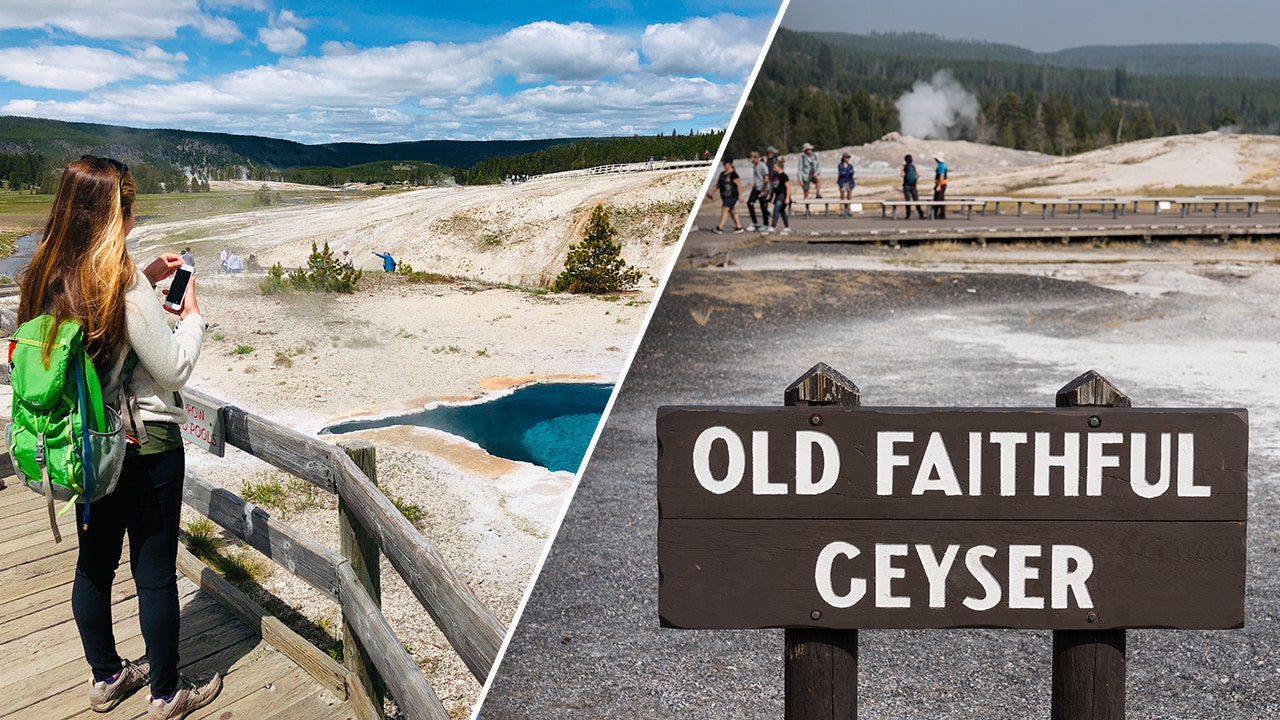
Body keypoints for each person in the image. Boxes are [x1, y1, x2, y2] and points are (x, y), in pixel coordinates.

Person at [17, 156, 219, 718]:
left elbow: (91, 335)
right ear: (118, 215)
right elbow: (174, 369)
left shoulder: (44, 273)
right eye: (129, 211)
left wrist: (148, 283)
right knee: (153, 572)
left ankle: (105, 677)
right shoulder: (120, 280)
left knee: (94, 564)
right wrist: (192, 315)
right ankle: (165, 693)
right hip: (141, 445)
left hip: (79, 445)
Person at [708, 160, 744, 233]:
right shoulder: (722, 174)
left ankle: (720, 228)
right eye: (723, 163)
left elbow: (739, 186)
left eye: (725, 163)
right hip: (724, 196)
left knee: (724, 209)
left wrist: (740, 196)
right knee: (731, 210)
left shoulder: (734, 175)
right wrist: (711, 192)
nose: (724, 165)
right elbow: (718, 185)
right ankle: (739, 227)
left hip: (732, 195)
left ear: (730, 164)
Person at [747, 151, 769, 231]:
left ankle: (766, 224)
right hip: (755, 188)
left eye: (753, 160)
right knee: (750, 203)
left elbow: (766, 179)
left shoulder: (762, 166)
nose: (752, 161)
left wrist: (763, 190)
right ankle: (755, 222)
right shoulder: (755, 166)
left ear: (756, 158)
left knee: (763, 207)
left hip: (762, 188)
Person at [768, 158, 790, 234]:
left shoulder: (784, 176)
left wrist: (787, 198)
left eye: (775, 167)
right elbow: (772, 186)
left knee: (776, 209)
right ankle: (787, 227)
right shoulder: (775, 175)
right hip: (777, 195)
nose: (773, 168)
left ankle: (773, 226)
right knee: (782, 211)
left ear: (779, 167)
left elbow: (788, 187)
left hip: (782, 195)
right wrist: (769, 194)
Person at [901, 154, 926, 220]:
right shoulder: (914, 166)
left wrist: (903, 169)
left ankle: (908, 215)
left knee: (907, 201)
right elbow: (919, 174)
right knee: (916, 200)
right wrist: (915, 177)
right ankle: (921, 214)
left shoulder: (904, 167)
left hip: (906, 185)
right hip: (913, 185)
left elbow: (902, 175)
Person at [933, 153, 948, 220]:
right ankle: (935, 213)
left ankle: (942, 213)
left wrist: (939, 185)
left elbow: (941, 176)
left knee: (940, 199)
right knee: (936, 198)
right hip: (940, 184)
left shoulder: (941, 165)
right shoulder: (941, 165)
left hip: (941, 184)